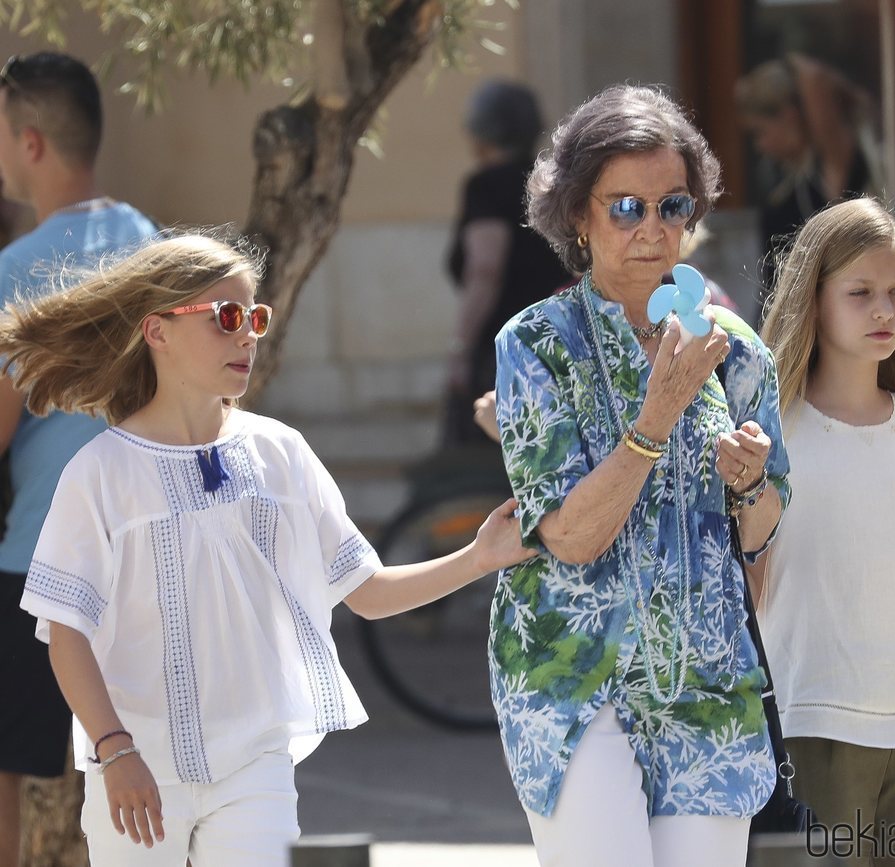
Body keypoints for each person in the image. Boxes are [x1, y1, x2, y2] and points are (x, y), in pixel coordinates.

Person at [0, 233, 535, 867]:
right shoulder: (98, 473)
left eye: (255, 317)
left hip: (256, 764)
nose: (248, 335)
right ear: (157, 332)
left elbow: (366, 591)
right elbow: (66, 634)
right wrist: (116, 751)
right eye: (226, 317)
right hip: (138, 768)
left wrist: (478, 556)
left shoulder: (282, 453)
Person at [490, 83, 792, 867]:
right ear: (580, 217)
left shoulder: (733, 344)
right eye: (626, 207)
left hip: (708, 684)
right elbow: (571, 536)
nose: (652, 229)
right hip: (572, 679)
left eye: (673, 206)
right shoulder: (535, 346)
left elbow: (762, 531)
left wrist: (752, 482)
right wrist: (654, 420)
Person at [757, 197, 895, 865]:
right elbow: (747, 570)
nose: (885, 310)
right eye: (860, 293)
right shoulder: (768, 426)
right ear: (812, 298)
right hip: (814, 722)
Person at [0, 51, 157, 866]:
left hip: (36, 557)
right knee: (152, 766)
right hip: (148, 549)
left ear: (29, 142)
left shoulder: (14, 272)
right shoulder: (155, 252)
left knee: (6, 773)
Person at [444, 79, 571, 444]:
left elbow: (485, 270)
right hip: (556, 340)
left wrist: (460, 351)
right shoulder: (552, 184)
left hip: (504, 353)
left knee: (480, 475)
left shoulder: (487, 186)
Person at [735, 54, 881, 294]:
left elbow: (814, 76)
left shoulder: (830, 169)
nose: (759, 145)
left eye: (760, 132)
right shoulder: (784, 174)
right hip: (779, 313)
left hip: (812, 316)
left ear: (789, 117)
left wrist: (789, 62)